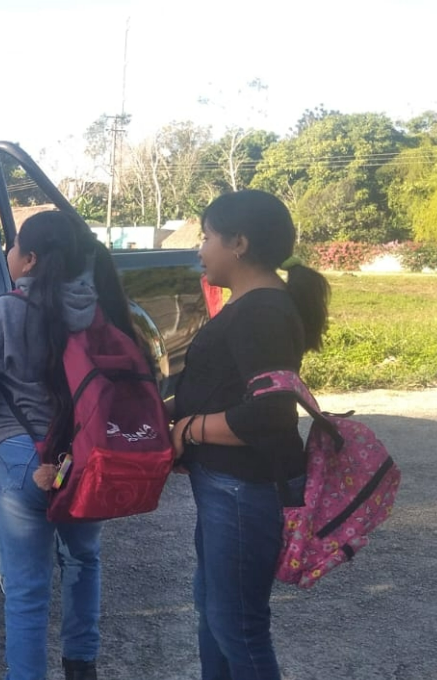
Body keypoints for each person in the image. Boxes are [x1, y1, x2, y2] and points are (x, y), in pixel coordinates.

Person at [0, 210, 137, 680]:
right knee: (83, 561)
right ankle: (81, 666)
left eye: (13, 247)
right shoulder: (99, 310)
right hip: (87, 457)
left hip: (19, 459)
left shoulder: (2, 312)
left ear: (28, 259)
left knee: (28, 589)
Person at [171, 189, 330, 680]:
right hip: (226, 486)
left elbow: (269, 415)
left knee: (237, 624)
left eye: (208, 237)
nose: (201, 248)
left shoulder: (263, 311)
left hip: (242, 490)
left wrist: (190, 429)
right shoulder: (253, 303)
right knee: (214, 612)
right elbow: (226, 388)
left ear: (238, 243)